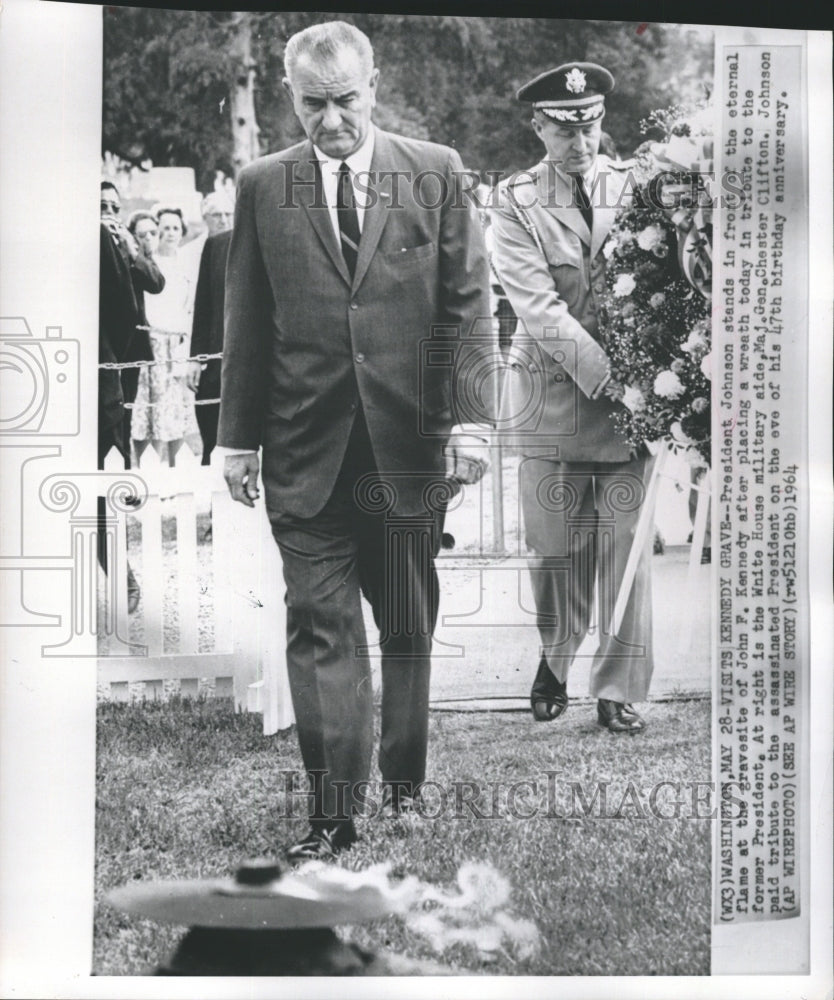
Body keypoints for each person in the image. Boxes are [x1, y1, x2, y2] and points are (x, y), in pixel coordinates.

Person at [218, 20, 490, 859]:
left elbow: (466, 306)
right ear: (289, 95)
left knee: (405, 625)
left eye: (345, 100)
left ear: (373, 87)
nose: (331, 120)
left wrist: (474, 418)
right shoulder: (263, 184)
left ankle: (403, 786)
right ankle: (333, 814)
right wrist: (236, 441)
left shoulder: (436, 171)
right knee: (319, 625)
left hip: (409, 447)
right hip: (306, 451)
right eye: (311, 103)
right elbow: (249, 320)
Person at [490, 63, 654, 734]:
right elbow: (540, 307)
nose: (580, 143)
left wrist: (662, 377)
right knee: (556, 551)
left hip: (631, 409)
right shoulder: (515, 201)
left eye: (589, 127)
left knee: (625, 553)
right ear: (538, 127)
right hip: (553, 401)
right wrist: (613, 375)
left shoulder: (640, 189)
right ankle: (555, 660)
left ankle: (619, 685)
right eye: (564, 130)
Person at [98, 184, 161, 611]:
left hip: (120, 371)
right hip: (94, 371)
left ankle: (122, 575)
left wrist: (128, 250)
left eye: (114, 208)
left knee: (99, 480)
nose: (108, 213)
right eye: (100, 206)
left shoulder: (122, 244)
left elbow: (153, 284)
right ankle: (121, 574)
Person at [130, 206, 202, 466]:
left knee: (178, 413)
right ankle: (148, 469)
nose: (170, 233)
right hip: (152, 344)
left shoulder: (188, 263)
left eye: (175, 228)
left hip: (178, 344)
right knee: (152, 411)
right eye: (164, 229)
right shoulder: (149, 264)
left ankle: (175, 472)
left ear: (181, 231)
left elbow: (190, 307)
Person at [185, 211, 233, 466]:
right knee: (212, 436)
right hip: (217, 358)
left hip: (267, 362)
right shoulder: (216, 244)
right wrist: (195, 358)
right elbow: (203, 305)